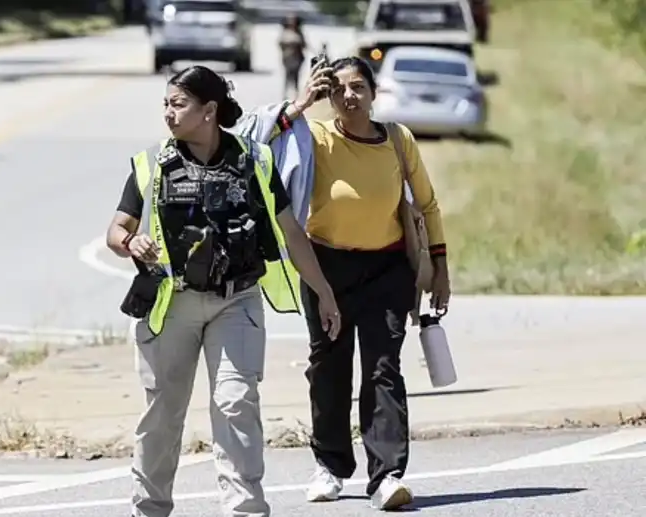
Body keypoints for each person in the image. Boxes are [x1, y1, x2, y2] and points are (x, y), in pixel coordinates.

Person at [106, 65, 341, 517]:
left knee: (236, 402)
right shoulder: (150, 163)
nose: (168, 114)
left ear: (209, 110)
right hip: (171, 304)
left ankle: (245, 508)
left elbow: (291, 234)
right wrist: (130, 242)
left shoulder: (255, 160)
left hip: (237, 301)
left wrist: (325, 294)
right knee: (163, 415)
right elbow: (117, 228)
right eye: (166, 104)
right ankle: (149, 508)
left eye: (178, 104)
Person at [272, 56, 452, 510]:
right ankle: (330, 466)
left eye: (357, 88)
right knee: (329, 367)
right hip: (326, 269)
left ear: (373, 93)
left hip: (387, 269)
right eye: (338, 90)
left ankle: (387, 475)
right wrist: (301, 102)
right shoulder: (313, 136)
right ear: (328, 97)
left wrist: (440, 266)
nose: (348, 97)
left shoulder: (397, 139)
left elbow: (427, 204)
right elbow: (256, 143)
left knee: (383, 368)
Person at [277, 14, 307, 98]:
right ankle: (285, 95)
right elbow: (280, 44)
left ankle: (296, 94)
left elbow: (304, 45)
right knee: (287, 76)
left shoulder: (299, 33)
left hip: (298, 58)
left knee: (296, 77)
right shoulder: (285, 32)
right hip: (287, 59)